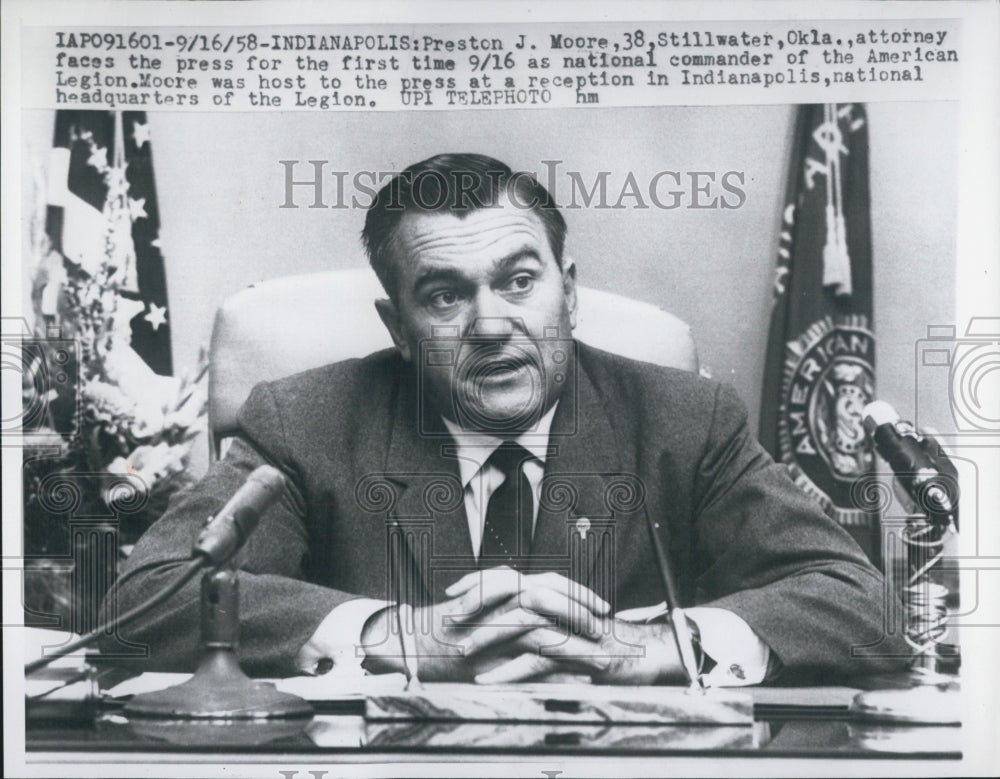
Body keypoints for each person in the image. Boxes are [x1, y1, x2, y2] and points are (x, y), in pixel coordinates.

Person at [105, 153, 908, 685]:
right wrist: (391, 633)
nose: (492, 324)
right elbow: (146, 605)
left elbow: (861, 603)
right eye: (446, 295)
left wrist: (665, 645)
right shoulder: (307, 420)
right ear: (398, 325)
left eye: (519, 281)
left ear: (571, 288)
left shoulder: (684, 420)